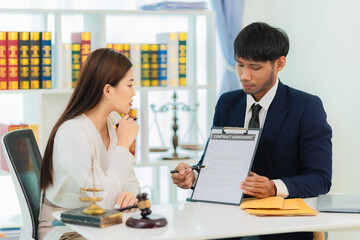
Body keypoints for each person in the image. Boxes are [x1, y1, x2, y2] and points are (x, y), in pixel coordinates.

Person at [171, 22, 332, 240]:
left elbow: (320, 179)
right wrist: (194, 176)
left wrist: (273, 187)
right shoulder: (227, 103)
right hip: (226, 225)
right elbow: (213, 164)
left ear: (280, 63)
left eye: (255, 68)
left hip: (283, 229)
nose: (245, 75)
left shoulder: (306, 107)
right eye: (240, 65)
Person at [38, 48, 140, 240]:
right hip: (64, 228)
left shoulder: (111, 124)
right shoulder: (73, 133)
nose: (133, 93)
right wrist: (123, 146)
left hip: (99, 224)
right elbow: (104, 201)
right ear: (108, 90)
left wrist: (130, 195)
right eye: (129, 85)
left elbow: (131, 181)